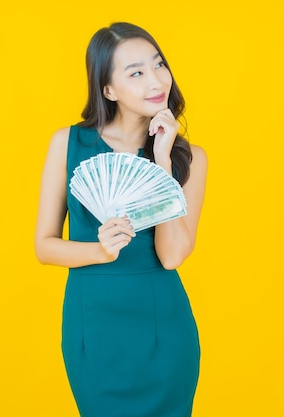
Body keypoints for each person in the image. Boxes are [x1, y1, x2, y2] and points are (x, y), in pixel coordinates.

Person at [34, 22, 207, 417]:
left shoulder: (189, 158)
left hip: (164, 330)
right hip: (93, 327)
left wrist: (162, 162)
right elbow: (44, 246)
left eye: (158, 64)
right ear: (108, 90)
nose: (156, 79)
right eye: (136, 72)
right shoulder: (67, 144)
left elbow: (172, 256)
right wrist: (99, 249)